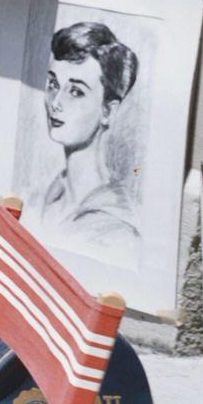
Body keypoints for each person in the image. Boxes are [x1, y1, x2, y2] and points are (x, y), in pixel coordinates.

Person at [36, 22, 141, 255]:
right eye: (53, 84)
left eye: (76, 92)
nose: (56, 103)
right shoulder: (49, 194)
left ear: (108, 111)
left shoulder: (116, 230)